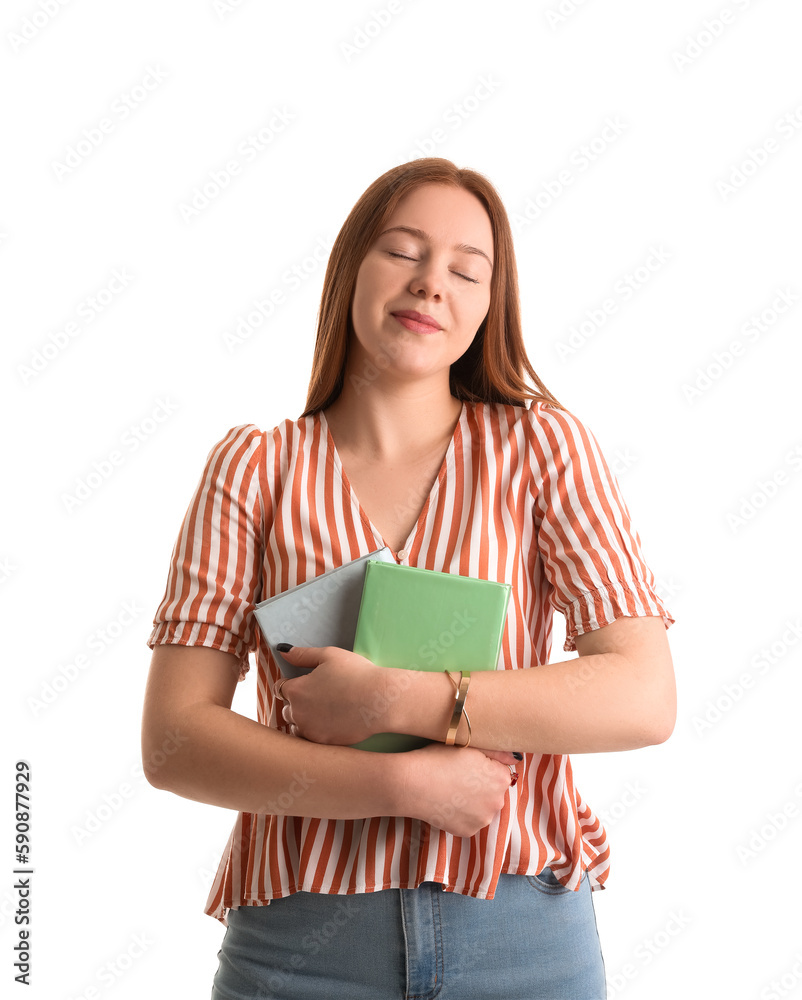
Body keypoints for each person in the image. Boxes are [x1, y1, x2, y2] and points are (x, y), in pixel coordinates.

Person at [141, 157, 676, 1000]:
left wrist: (401, 703)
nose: (433, 284)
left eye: (468, 270)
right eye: (403, 252)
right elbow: (173, 743)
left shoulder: (542, 450)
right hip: (300, 947)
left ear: (488, 307)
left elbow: (643, 697)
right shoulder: (254, 468)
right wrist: (397, 780)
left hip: (521, 939)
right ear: (350, 266)